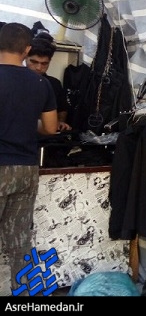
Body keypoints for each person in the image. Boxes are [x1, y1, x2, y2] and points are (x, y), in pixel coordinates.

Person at [0, 22, 58, 295]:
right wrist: (24, 123)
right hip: (26, 168)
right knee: (20, 241)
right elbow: (50, 128)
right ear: (26, 50)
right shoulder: (41, 83)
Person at [26, 33, 72, 132]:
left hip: (46, 135)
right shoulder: (15, 80)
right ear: (25, 57)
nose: (38, 68)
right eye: (34, 62)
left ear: (49, 62)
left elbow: (62, 108)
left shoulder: (54, 84)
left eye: (44, 63)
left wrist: (60, 122)